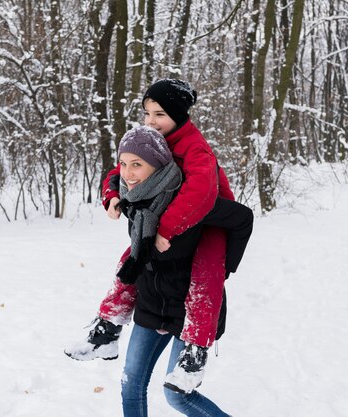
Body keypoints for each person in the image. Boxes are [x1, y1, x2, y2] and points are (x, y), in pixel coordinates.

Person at [66, 126, 253, 416]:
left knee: (178, 397)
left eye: (137, 165)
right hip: (151, 303)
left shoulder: (191, 201)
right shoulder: (133, 198)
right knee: (130, 386)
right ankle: (105, 333)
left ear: (158, 164)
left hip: (188, 311)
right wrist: (111, 196)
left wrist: (228, 266)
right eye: (125, 163)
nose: (128, 172)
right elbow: (114, 178)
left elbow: (242, 218)